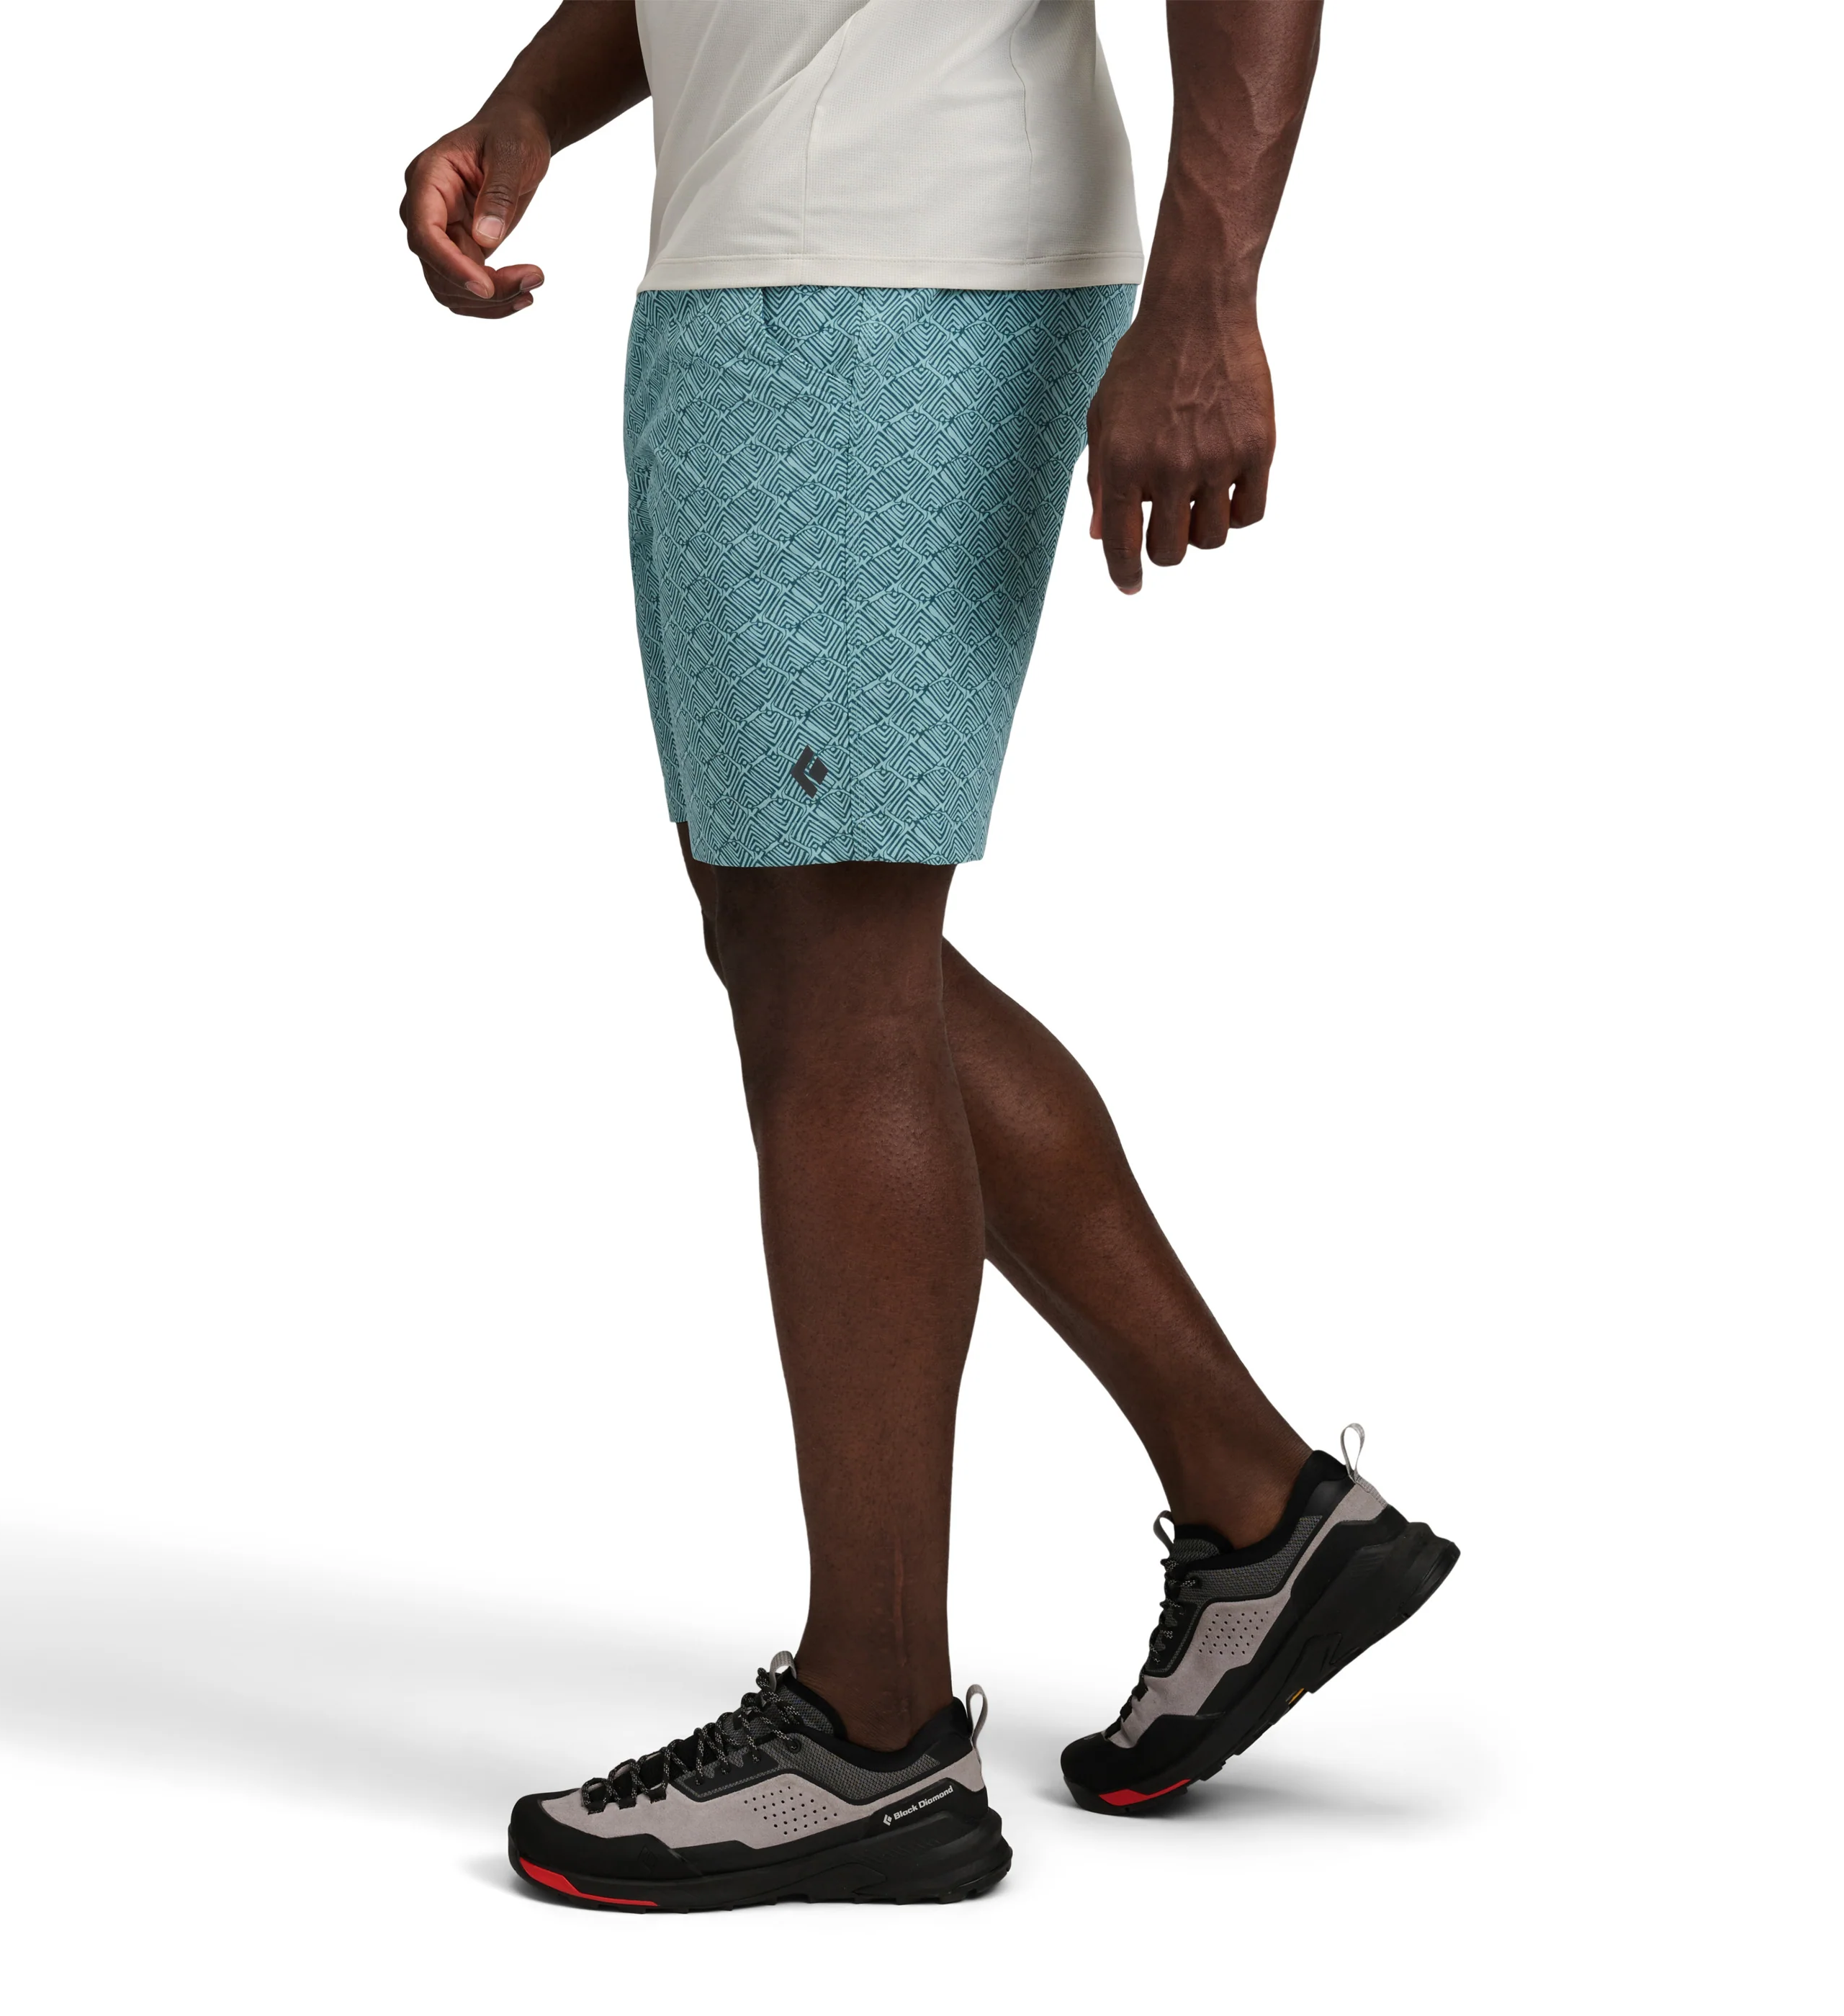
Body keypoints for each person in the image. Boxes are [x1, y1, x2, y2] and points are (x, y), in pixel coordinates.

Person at [402, 0, 1455, 1912]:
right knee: (805, 939)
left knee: (830, 966)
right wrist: (531, 106)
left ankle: (872, 1731)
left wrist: (1212, 301)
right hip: (784, 272)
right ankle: (1262, 1517)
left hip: (886, 279)